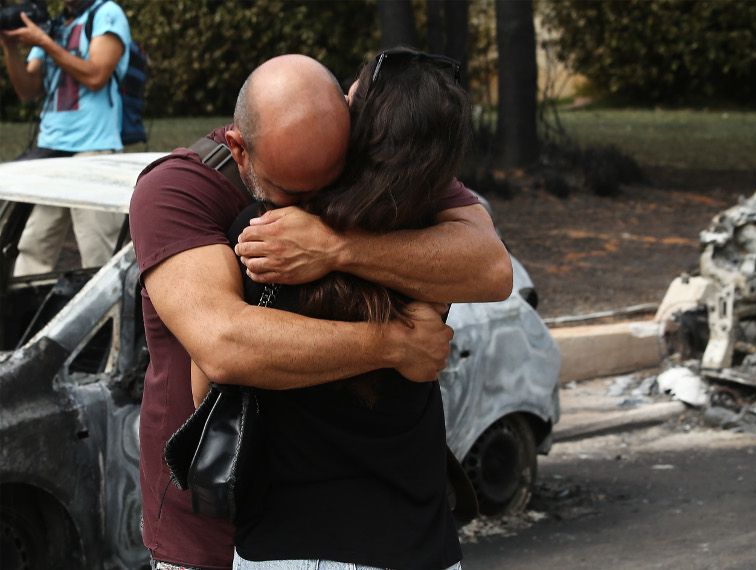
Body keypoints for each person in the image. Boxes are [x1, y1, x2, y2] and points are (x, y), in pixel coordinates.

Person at [128, 54, 511, 570]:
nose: (312, 204)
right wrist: (393, 343)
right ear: (239, 148)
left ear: (348, 120)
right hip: (204, 535)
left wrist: (338, 248)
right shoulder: (178, 189)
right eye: (292, 191)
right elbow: (223, 345)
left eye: (331, 179)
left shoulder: (360, 153)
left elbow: (490, 269)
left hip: (367, 528)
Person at [1, 0, 130, 275]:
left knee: (98, 250)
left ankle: (101, 316)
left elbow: (96, 74)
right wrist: (10, 47)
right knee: (33, 245)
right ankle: (25, 313)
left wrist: (44, 42)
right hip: (50, 150)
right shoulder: (54, 26)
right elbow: (27, 88)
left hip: (93, 149)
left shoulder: (106, 13)